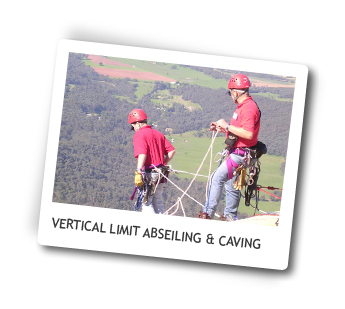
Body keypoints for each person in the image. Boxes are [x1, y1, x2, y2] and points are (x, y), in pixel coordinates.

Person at [200, 74, 261, 221]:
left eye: (230, 93)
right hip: (240, 153)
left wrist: (227, 125)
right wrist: (223, 129)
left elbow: (247, 134)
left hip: (240, 154)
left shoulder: (247, 109)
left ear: (235, 92)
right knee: (231, 185)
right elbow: (240, 131)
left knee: (217, 178)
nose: (231, 96)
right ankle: (230, 216)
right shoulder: (245, 107)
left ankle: (207, 214)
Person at [128, 109, 176, 214]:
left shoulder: (140, 135)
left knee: (146, 203)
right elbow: (171, 151)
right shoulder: (158, 134)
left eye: (133, 126)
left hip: (149, 174)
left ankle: (150, 227)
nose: (134, 129)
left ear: (137, 123)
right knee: (158, 200)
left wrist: (138, 171)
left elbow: (142, 154)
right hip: (161, 174)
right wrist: (164, 163)